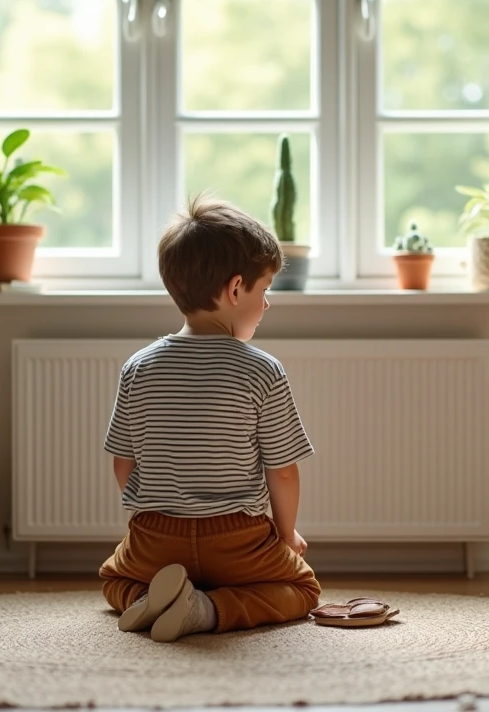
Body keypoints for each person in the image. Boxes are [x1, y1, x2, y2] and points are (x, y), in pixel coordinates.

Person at [98, 195, 321, 643]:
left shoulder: (137, 367)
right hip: (238, 537)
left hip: (155, 534)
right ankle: (207, 610)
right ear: (236, 290)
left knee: (114, 580)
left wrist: (153, 518)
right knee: (303, 588)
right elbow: (283, 470)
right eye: (265, 290)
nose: (268, 304)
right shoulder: (263, 370)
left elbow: (123, 463)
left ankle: (149, 601)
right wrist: (286, 534)